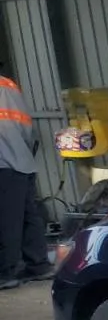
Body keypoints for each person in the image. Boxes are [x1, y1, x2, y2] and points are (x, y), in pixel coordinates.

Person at [0, 72, 51, 291]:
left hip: (3, 162)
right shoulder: (8, 84)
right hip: (22, 158)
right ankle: (38, 265)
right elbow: (27, 127)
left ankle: (5, 272)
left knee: (6, 220)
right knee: (29, 216)